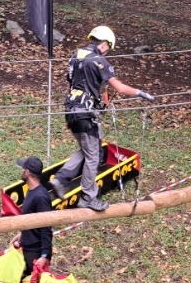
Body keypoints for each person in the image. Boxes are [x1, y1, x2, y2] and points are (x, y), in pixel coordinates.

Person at [52, 25, 156, 211]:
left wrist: (100, 101)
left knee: (88, 150)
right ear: (105, 43)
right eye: (109, 47)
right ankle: (88, 197)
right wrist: (141, 93)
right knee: (94, 156)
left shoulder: (75, 57)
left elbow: (81, 84)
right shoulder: (99, 61)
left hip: (71, 110)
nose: (108, 51)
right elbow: (120, 88)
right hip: (85, 114)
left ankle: (60, 179)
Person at [13, 156, 53, 279]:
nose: (21, 171)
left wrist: (44, 255)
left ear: (28, 172)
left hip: (35, 253)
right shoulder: (31, 191)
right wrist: (22, 233)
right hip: (27, 247)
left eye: (23, 168)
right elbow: (31, 218)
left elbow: (46, 227)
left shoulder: (41, 197)